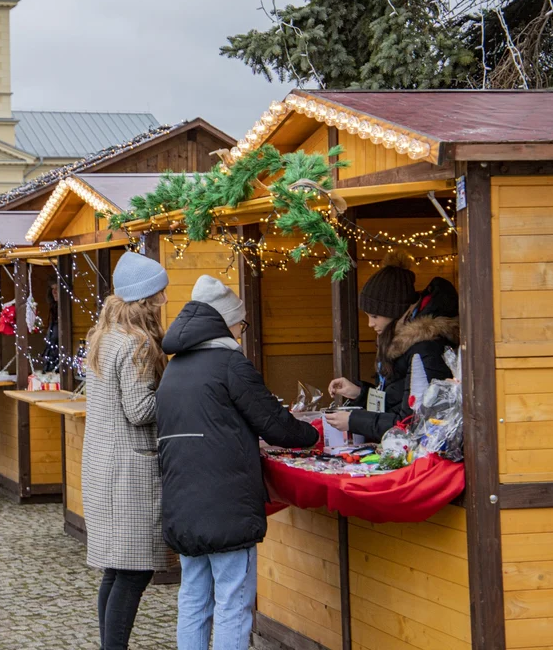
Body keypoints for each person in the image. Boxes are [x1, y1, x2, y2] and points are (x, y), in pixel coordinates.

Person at [156, 276, 320, 650]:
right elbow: (275, 425)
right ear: (225, 322)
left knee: (194, 599)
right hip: (227, 504)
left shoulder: (174, 369)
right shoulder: (230, 363)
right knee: (233, 601)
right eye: (240, 324)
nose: (241, 332)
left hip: (183, 504)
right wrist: (314, 436)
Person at [81, 252, 177, 650]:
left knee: (116, 570)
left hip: (104, 465)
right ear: (143, 300)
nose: (164, 302)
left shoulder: (103, 336)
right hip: (131, 472)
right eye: (159, 294)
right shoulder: (137, 344)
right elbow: (140, 411)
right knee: (134, 572)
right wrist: (177, 393)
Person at [325, 257, 460, 442]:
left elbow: (412, 423)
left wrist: (354, 421)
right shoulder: (398, 344)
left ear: (395, 311)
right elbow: (393, 401)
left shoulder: (424, 349)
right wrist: (358, 392)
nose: (370, 324)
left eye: (374, 316)